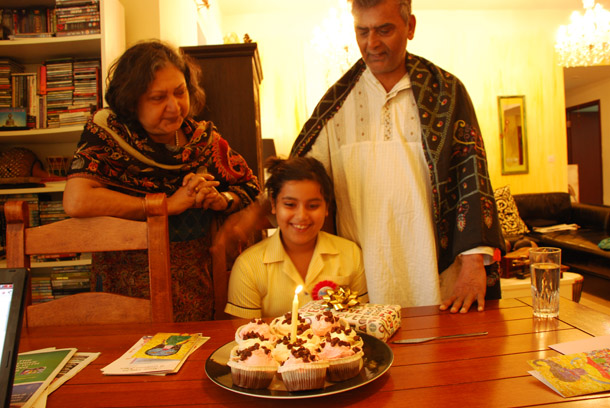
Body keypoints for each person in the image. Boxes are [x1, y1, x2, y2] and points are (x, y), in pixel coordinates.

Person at [290, 0, 505, 313]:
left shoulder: (447, 93)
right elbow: (299, 178)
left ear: (411, 26)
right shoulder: (337, 103)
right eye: (362, 31)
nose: (371, 43)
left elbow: (470, 179)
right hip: (361, 285)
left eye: (384, 30)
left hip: (441, 281)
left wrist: (474, 267)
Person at [63, 40, 260, 322]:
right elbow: (77, 200)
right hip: (123, 292)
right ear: (132, 101)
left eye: (180, 92)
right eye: (158, 98)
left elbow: (250, 186)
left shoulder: (202, 140)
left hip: (197, 291)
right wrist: (165, 205)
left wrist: (221, 200)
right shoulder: (109, 134)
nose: (174, 107)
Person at [225, 156, 369, 319]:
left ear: (326, 207)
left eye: (313, 206)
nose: (301, 216)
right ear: (273, 204)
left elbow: (361, 322)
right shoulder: (248, 266)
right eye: (290, 205)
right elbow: (244, 336)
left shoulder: (351, 254)